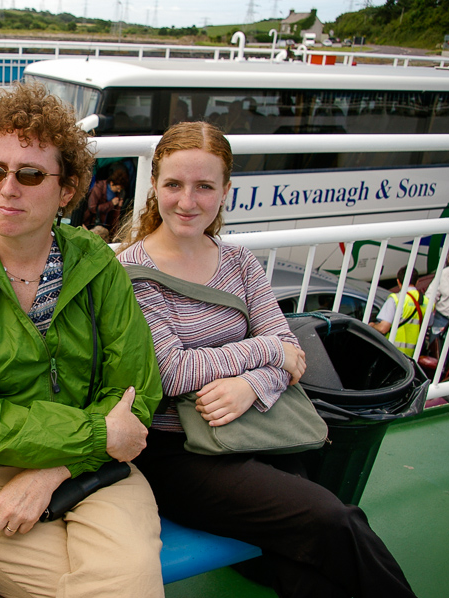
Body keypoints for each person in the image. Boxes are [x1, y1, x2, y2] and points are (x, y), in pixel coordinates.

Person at [116, 121, 417, 598]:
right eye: (173, 184)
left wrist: (250, 386)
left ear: (225, 191)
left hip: (253, 429)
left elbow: (292, 354)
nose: (187, 201)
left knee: (298, 557)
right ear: (154, 186)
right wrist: (266, 353)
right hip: (181, 451)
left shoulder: (238, 262)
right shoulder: (133, 274)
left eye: (204, 187)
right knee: (333, 519)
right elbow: (173, 372)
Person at [0, 81, 165, 598]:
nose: (8, 188)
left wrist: (58, 466)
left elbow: (136, 392)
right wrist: (97, 434)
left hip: (96, 469)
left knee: (127, 583)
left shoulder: (96, 265)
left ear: (66, 190)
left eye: (30, 174)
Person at [370, 267, 430, 357]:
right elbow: (429, 325)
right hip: (414, 354)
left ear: (398, 281)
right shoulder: (426, 302)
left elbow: (383, 328)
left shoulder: (396, 299)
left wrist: (372, 325)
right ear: (417, 282)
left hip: (394, 353)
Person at [82, 166, 128, 233]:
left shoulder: (117, 194)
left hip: (105, 225)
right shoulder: (99, 187)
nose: (118, 191)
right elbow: (92, 207)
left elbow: (114, 216)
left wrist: (118, 206)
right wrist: (111, 204)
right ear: (112, 183)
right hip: (92, 223)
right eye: (117, 188)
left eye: (120, 189)